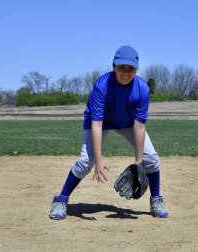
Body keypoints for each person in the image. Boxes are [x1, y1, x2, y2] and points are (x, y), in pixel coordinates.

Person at [49, 45, 168, 219]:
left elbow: (139, 126)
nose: (125, 72)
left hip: (128, 123)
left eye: (130, 68)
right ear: (113, 66)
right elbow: (97, 125)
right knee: (86, 161)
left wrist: (138, 163)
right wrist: (98, 161)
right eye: (121, 67)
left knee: (150, 158)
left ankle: (156, 198)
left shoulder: (142, 89)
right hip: (100, 123)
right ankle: (60, 199)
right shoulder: (102, 86)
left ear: (136, 69)